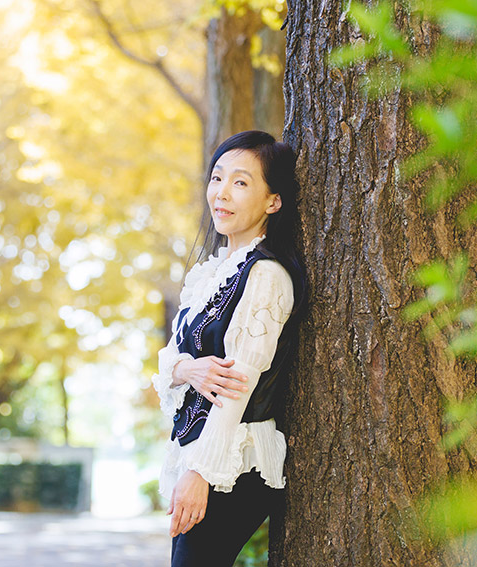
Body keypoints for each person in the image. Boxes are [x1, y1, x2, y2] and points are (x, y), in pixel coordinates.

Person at [152, 130, 306, 567]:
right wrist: (189, 370)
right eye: (217, 178)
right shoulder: (211, 273)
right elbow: (169, 359)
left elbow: (238, 387)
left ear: (272, 202)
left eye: (240, 182)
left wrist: (201, 473)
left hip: (235, 464)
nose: (222, 192)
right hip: (203, 454)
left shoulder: (266, 276)